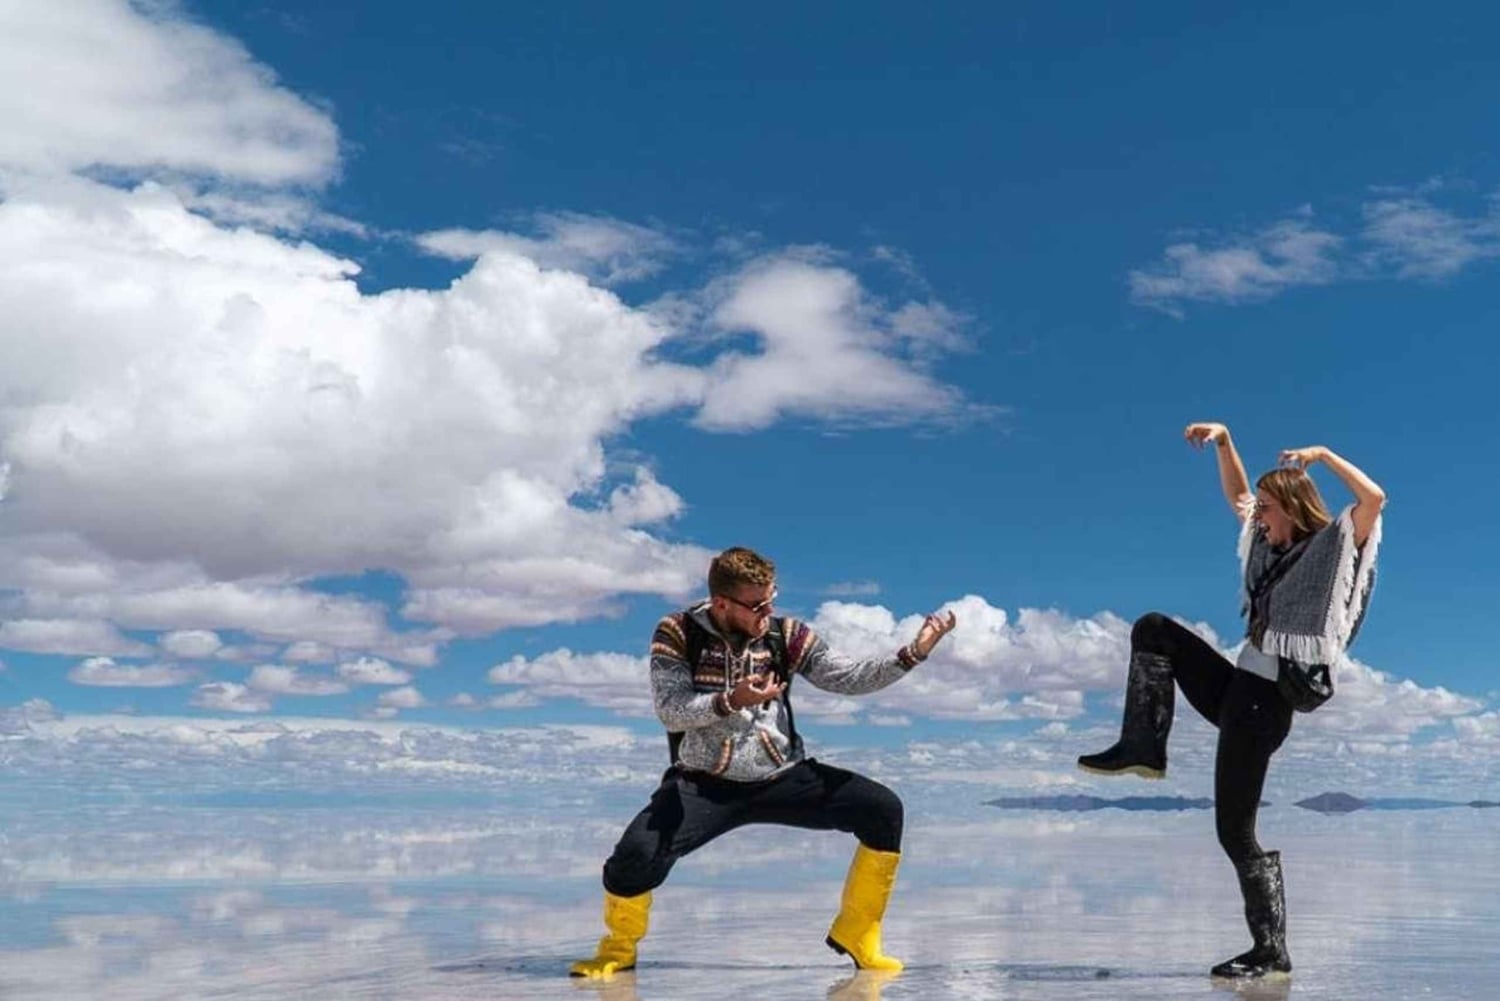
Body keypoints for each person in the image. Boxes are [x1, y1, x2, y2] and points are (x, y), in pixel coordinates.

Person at [1077, 422, 1385, 981]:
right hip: (1237, 691)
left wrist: (1323, 454)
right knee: (1154, 629)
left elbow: (1373, 499)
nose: (1257, 515)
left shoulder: (1328, 547)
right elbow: (1237, 494)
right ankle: (1142, 746)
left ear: (1292, 506)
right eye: (1260, 509)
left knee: (1234, 832)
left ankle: (1271, 950)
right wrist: (1224, 442)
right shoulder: (1266, 550)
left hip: (1264, 707)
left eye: (1267, 508)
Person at [570, 546, 957, 979]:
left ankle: (858, 932)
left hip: (782, 776)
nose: (767, 611)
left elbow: (847, 678)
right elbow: (670, 709)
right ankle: (618, 948)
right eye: (757, 605)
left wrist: (912, 654)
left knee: (882, 809)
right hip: (704, 783)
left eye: (772, 598)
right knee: (633, 858)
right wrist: (731, 700)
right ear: (721, 603)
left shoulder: (785, 634)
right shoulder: (677, 632)